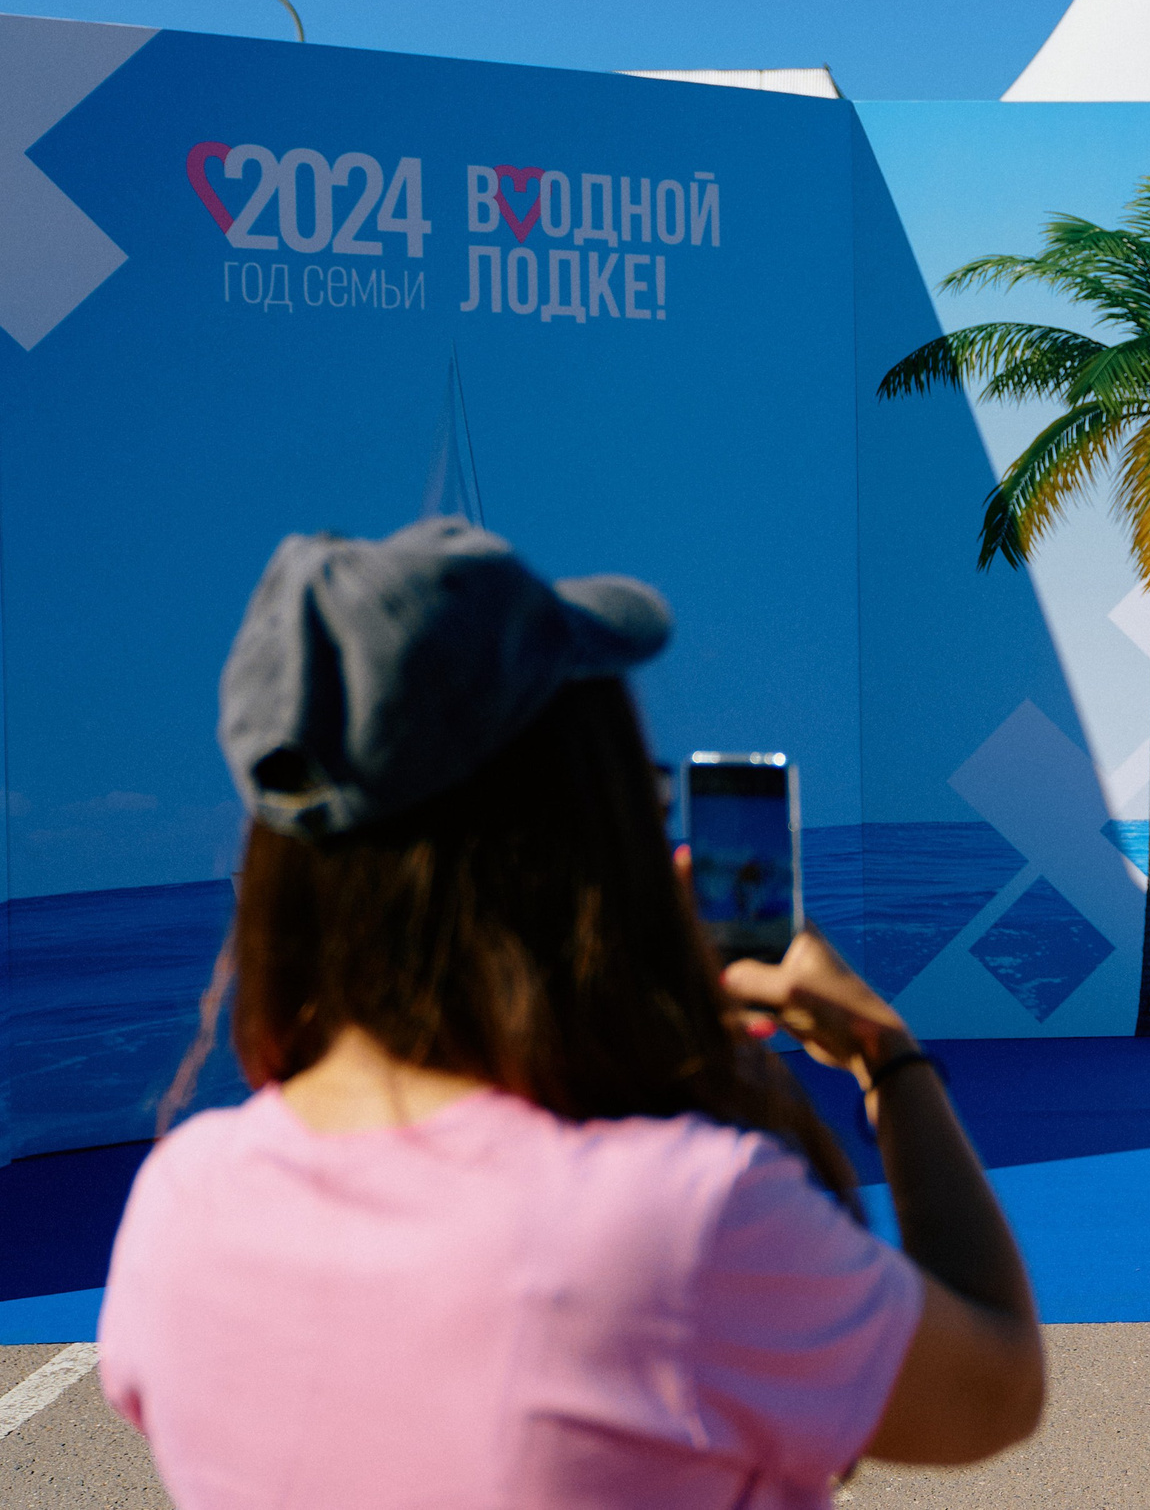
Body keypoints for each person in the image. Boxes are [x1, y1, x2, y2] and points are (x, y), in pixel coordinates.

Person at [97, 518, 1044, 1507]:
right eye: (642, 790)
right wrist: (886, 1059)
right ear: (582, 833)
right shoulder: (681, 1223)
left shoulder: (182, 1203)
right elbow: (997, 1387)